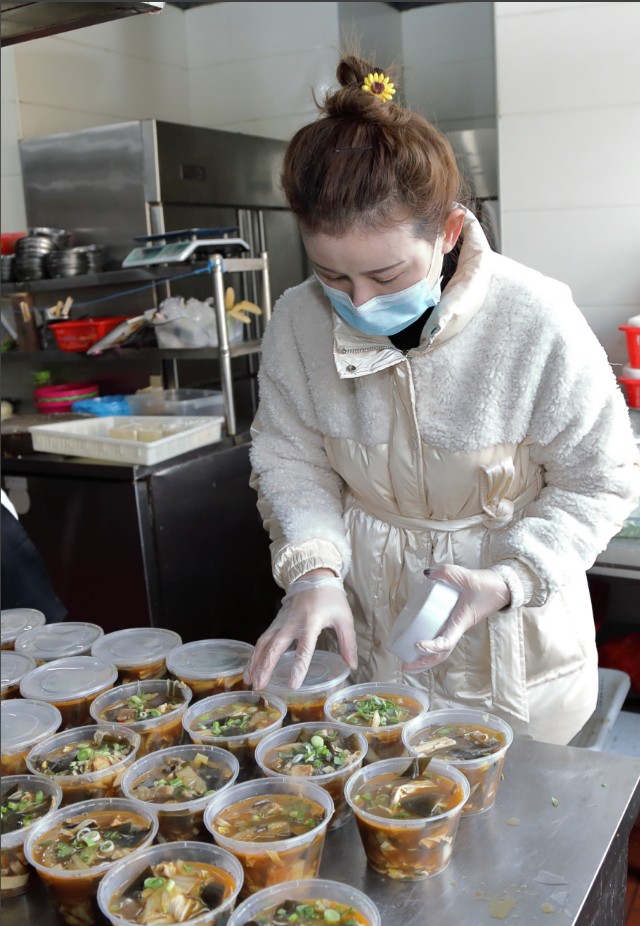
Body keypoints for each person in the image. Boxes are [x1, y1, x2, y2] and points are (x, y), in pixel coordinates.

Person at [243, 55, 640, 744]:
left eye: (385, 272)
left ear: (449, 232)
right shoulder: (299, 321)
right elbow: (289, 461)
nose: (359, 301)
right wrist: (314, 569)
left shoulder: (534, 316)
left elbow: (600, 477)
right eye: (333, 274)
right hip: (375, 630)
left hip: (514, 641)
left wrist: (517, 575)